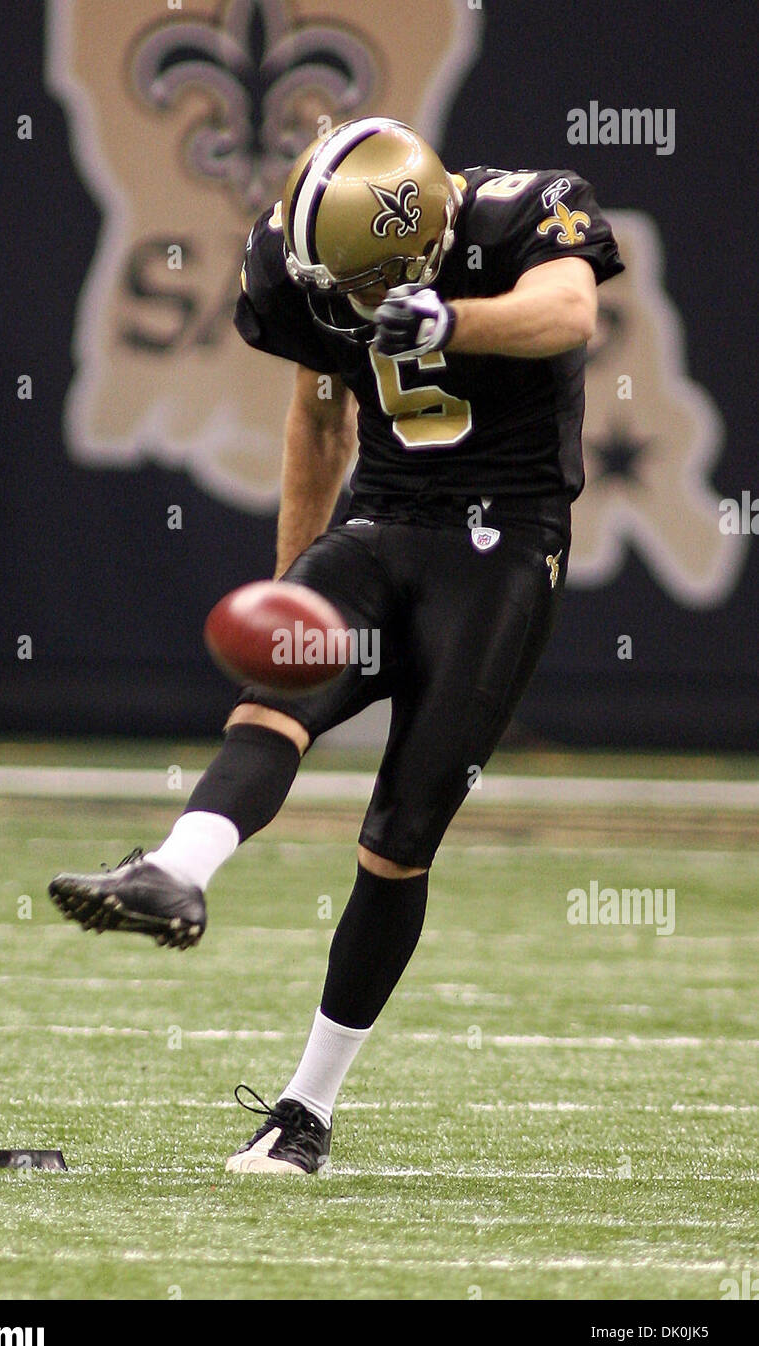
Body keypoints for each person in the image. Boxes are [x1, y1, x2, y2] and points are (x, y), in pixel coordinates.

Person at [49, 117, 624, 1175]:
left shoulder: (519, 211)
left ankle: (303, 1109)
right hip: (380, 523)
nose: (337, 304)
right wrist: (291, 587)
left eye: (362, 287)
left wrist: (444, 318)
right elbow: (317, 416)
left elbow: (565, 309)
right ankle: (175, 870)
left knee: (398, 835)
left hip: (500, 544)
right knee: (275, 694)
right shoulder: (296, 262)